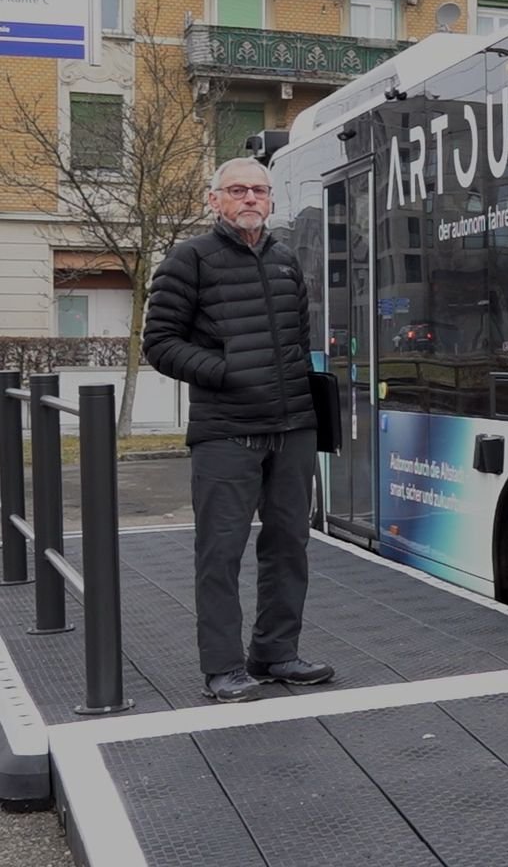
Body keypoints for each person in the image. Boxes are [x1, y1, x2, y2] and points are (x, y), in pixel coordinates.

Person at [143, 157, 333, 703]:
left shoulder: (285, 260)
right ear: (215, 200)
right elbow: (158, 343)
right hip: (226, 431)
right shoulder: (189, 259)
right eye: (238, 190)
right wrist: (228, 372)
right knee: (220, 553)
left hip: (293, 427)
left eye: (259, 190)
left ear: (271, 200)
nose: (250, 198)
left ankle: (276, 653)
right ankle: (223, 668)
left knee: (289, 546)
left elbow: (297, 341)